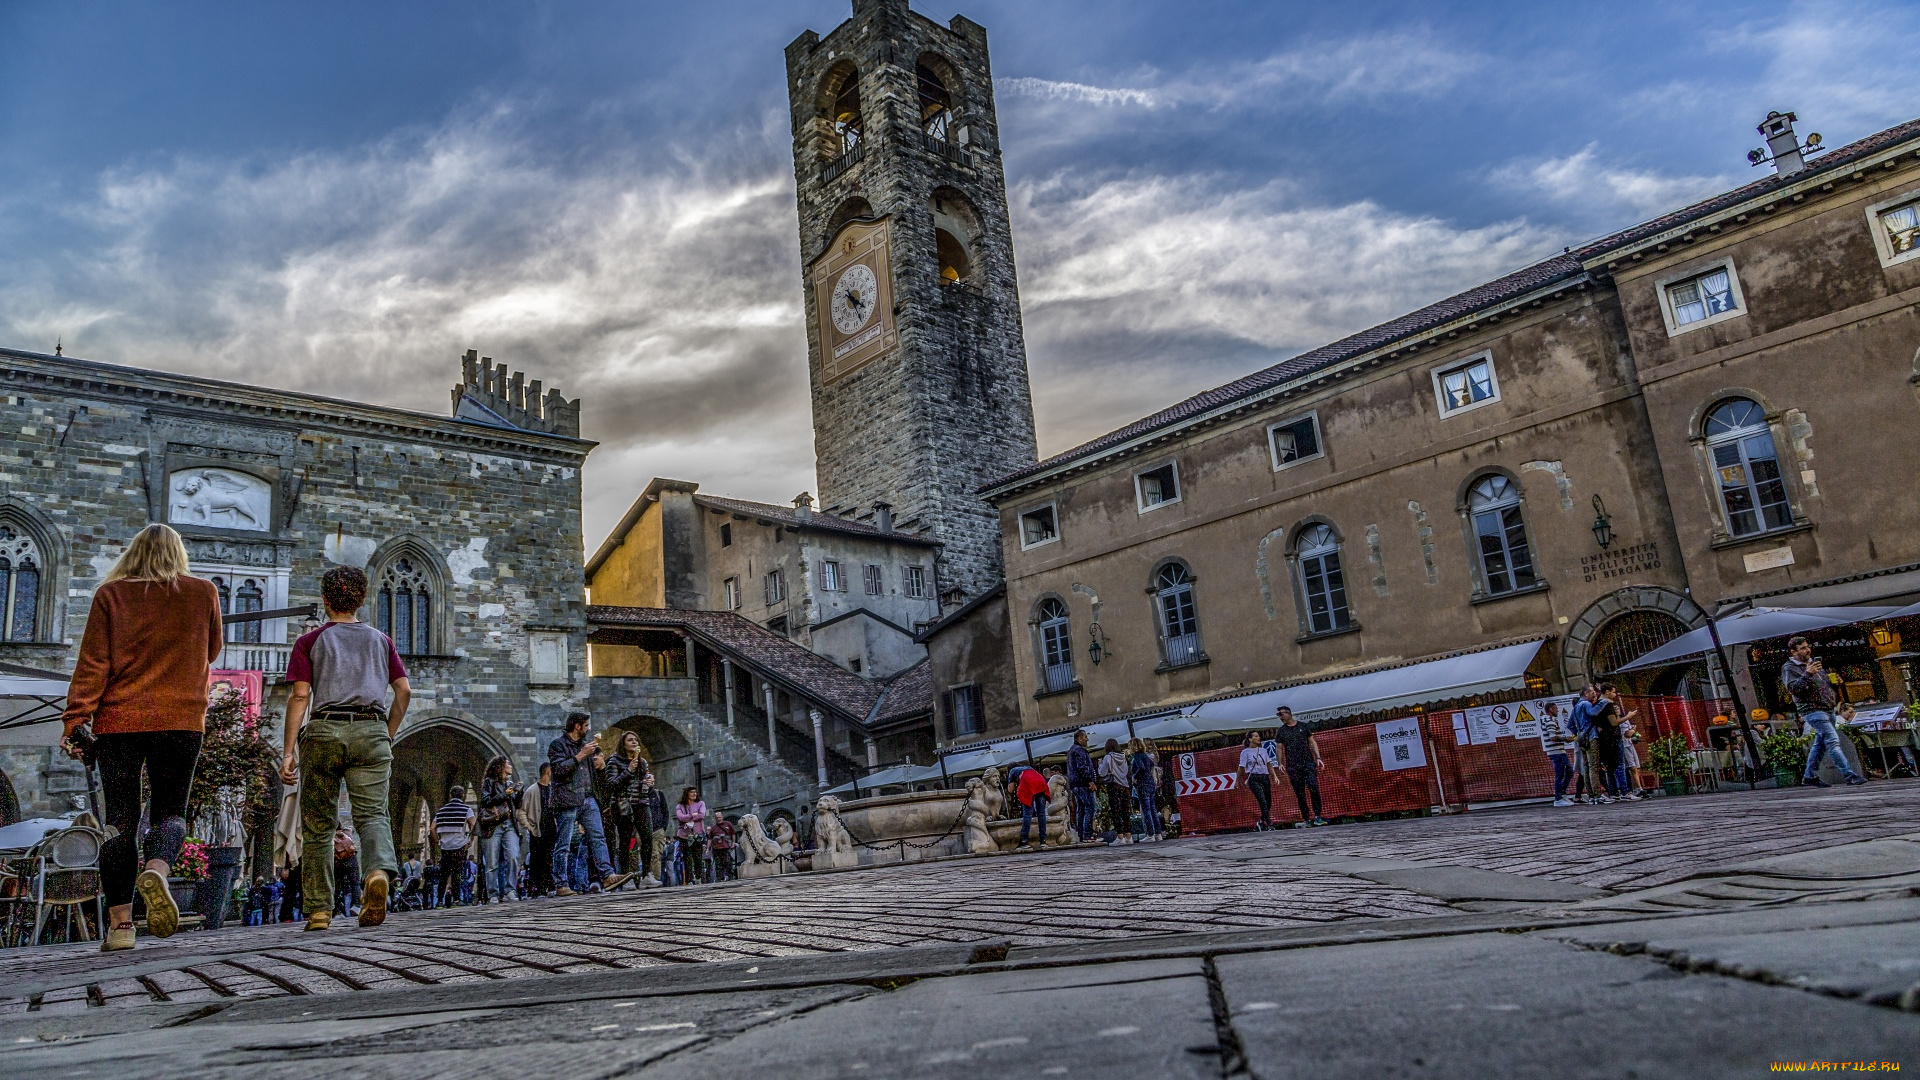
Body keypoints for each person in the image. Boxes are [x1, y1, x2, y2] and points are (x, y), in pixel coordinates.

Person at [61, 523, 224, 951]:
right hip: (182, 720)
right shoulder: (203, 592)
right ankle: (157, 869)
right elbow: (212, 650)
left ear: (132, 555)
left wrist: (75, 718)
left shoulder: (111, 595)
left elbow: (93, 663)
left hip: (120, 721)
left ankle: (120, 928)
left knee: (119, 820)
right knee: (170, 810)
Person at [279, 565, 409, 931]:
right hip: (371, 729)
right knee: (373, 815)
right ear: (363, 599)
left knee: (319, 825)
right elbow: (404, 690)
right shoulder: (381, 640)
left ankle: (320, 910)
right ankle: (377, 873)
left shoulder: (310, 641)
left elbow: (300, 695)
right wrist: (388, 732)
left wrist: (288, 751)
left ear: (325, 600)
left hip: (324, 730)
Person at [547, 712, 624, 894]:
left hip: (588, 798)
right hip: (567, 798)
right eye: (586, 725)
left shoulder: (586, 746)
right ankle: (561, 883)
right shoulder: (558, 745)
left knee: (598, 837)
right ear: (577, 726)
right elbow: (558, 770)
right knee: (564, 843)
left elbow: (592, 775)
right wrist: (580, 755)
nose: (588, 729)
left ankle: (607, 875)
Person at [1782, 636, 1867, 787]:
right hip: (1812, 710)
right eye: (1802, 648)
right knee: (1833, 741)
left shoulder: (1813, 664)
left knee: (1819, 745)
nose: (1807, 650)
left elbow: (1823, 687)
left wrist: (1835, 684)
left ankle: (1809, 776)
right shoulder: (1789, 668)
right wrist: (1808, 674)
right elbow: (1794, 689)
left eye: (1807, 646)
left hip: (1828, 708)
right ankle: (1849, 775)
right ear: (1793, 652)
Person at [604, 732, 660, 886]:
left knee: (647, 837)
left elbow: (644, 785)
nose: (634, 742)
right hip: (623, 804)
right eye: (630, 740)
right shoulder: (614, 761)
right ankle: (625, 876)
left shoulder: (642, 762)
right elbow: (612, 785)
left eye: (636, 739)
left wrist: (649, 785)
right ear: (623, 743)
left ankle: (646, 875)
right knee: (625, 840)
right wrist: (628, 771)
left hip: (641, 803)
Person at [1273, 707, 1329, 827]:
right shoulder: (1281, 731)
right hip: (1292, 765)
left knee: (1313, 786)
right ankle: (1306, 818)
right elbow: (1279, 748)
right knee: (1300, 793)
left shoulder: (1303, 726)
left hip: (1308, 763)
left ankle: (1318, 816)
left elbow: (1312, 742)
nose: (1280, 717)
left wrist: (1318, 757)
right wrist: (1280, 763)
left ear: (1289, 714)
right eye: (1278, 715)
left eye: (1281, 714)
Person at [478, 755, 522, 903]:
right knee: (492, 862)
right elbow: (485, 801)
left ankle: (510, 890)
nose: (510, 765)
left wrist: (518, 793)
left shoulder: (509, 783)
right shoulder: (488, 783)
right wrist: (505, 794)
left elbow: (516, 805)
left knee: (514, 856)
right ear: (500, 767)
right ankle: (493, 893)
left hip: (509, 824)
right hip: (493, 825)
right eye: (507, 763)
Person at [1589, 684, 1643, 801]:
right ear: (1607, 692)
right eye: (1613, 692)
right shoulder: (1608, 705)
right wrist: (1628, 716)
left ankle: (1614, 793)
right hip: (1613, 738)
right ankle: (1625, 792)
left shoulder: (1596, 705)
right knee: (1619, 765)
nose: (1615, 695)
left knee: (1610, 768)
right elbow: (1614, 722)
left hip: (1603, 739)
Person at [433, 786, 476, 907]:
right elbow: (473, 824)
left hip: (445, 846)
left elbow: (432, 828)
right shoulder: (466, 809)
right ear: (462, 796)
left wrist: (438, 840)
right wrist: (470, 839)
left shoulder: (441, 811)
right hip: (459, 845)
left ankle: (440, 902)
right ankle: (456, 900)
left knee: (444, 874)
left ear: (450, 795)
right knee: (457, 872)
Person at [1235, 730, 1276, 829]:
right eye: (1256, 736)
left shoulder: (1263, 750)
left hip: (1264, 776)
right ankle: (1269, 823)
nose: (1258, 738)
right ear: (1250, 739)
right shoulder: (1245, 752)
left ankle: (1261, 821)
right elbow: (1241, 767)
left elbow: (1268, 764)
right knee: (1262, 800)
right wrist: (1237, 780)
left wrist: (1274, 775)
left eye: (1258, 736)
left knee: (1268, 801)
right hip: (1254, 777)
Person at [524, 762, 554, 896]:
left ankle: (548, 885)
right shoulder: (531, 790)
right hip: (537, 830)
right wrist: (530, 826)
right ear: (548, 772)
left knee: (548, 858)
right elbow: (522, 812)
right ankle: (535, 888)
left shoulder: (553, 789)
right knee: (536, 859)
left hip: (551, 829)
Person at [1541, 699, 1578, 807]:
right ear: (1551, 709)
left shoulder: (1549, 720)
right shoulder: (1550, 721)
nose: (1558, 710)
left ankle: (1561, 794)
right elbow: (1552, 737)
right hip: (1556, 751)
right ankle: (1559, 797)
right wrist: (1565, 739)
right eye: (1556, 708)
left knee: (1566, 772)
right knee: (1563, 772)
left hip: (1557, 751)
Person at [1065, 731, 1098, 843]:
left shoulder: (1071, 750)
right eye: (1085, 737)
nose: (1087, 739)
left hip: (1075, 785)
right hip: (1083, 784)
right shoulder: (1080, 750)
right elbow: (1082, 767)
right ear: (1079, 738)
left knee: (1080, 810)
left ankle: (1081, 835)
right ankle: (1087, 834)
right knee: (1089, 808)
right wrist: (1090, 781)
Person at [1098, 738, 1133, 844]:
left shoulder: (1108, 757)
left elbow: (1102, 773)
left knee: (1116, 811)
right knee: (1126, 811)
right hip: (1125, 785)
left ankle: (1120, 836)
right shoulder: (1123, 756)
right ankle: (1128, 836)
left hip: (1114, 785)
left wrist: (1100, 764)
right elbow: (1126, 771)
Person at [1128, 738, 1163, 841]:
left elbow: (1141, 767)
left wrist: (1135, 777)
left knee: (1146, 810)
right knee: (1153, 809)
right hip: (1151, 783)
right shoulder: (1145, 756)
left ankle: (1150, 834)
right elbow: (1151, 765)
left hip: (1142, 784)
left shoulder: (1137, 756)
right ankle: (1158, 833)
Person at [675, 786, 709, 884]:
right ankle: (689, 879)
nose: (694, 794)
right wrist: (691, 815)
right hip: (684, 836)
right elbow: (680, 817)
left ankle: (698, 877)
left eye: (695, 792)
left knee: (697, 857)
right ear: (687, 794)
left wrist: (689, 818)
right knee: (687, 858)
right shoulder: (680, 806)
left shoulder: (700, 803)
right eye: (691, 792)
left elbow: (702, 815)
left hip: (697, 835)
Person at [1013, 762, 1050, 850]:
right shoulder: (1029, 768)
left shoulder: (1012, 771)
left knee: (1028, 813)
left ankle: (1024, 841)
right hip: (1041, 782)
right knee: (1041, 813)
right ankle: (1043, 841)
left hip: (1028, 783)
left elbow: (1010, 790)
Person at [332, 822, 361, 916]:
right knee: (355, 884)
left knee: (337, 886)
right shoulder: (347, 832)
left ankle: (336, 910)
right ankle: (356, 905)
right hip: (351, 860)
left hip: (338, 862)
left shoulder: (332, 837)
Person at [709, 814, 737, 881]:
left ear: (722, 817)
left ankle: (728, 875)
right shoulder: (713, 828)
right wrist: (708, 848)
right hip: (716, 848)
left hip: (725, 846)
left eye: (719, 817)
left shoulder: (728, 824)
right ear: (715, 819)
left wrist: (733, 842)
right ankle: (720, 877)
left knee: (727, 861)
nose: (718, 819)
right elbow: (710, 839)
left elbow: (733, 833)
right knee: (718, 863)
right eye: (717, 818)